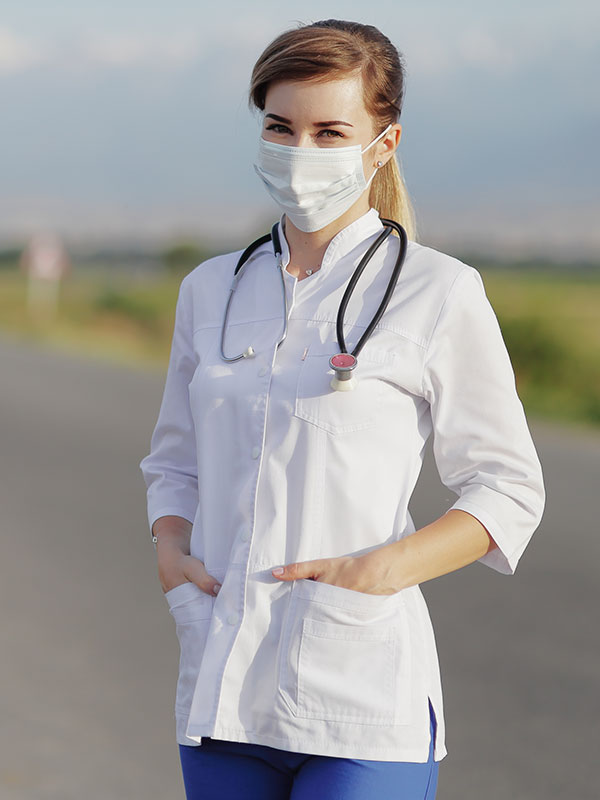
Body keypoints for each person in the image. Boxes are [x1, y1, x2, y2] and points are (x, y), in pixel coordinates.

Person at [139, 19, 545, 800]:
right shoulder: (212, 290)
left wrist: (384, 569)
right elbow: (174, 457)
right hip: (222, 690)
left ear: (383, 144)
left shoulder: (438, 291)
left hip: (360, 695)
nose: (302, 151)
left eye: (331, 131)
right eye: (281, 127)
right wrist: (170, 548)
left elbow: (507, 487)